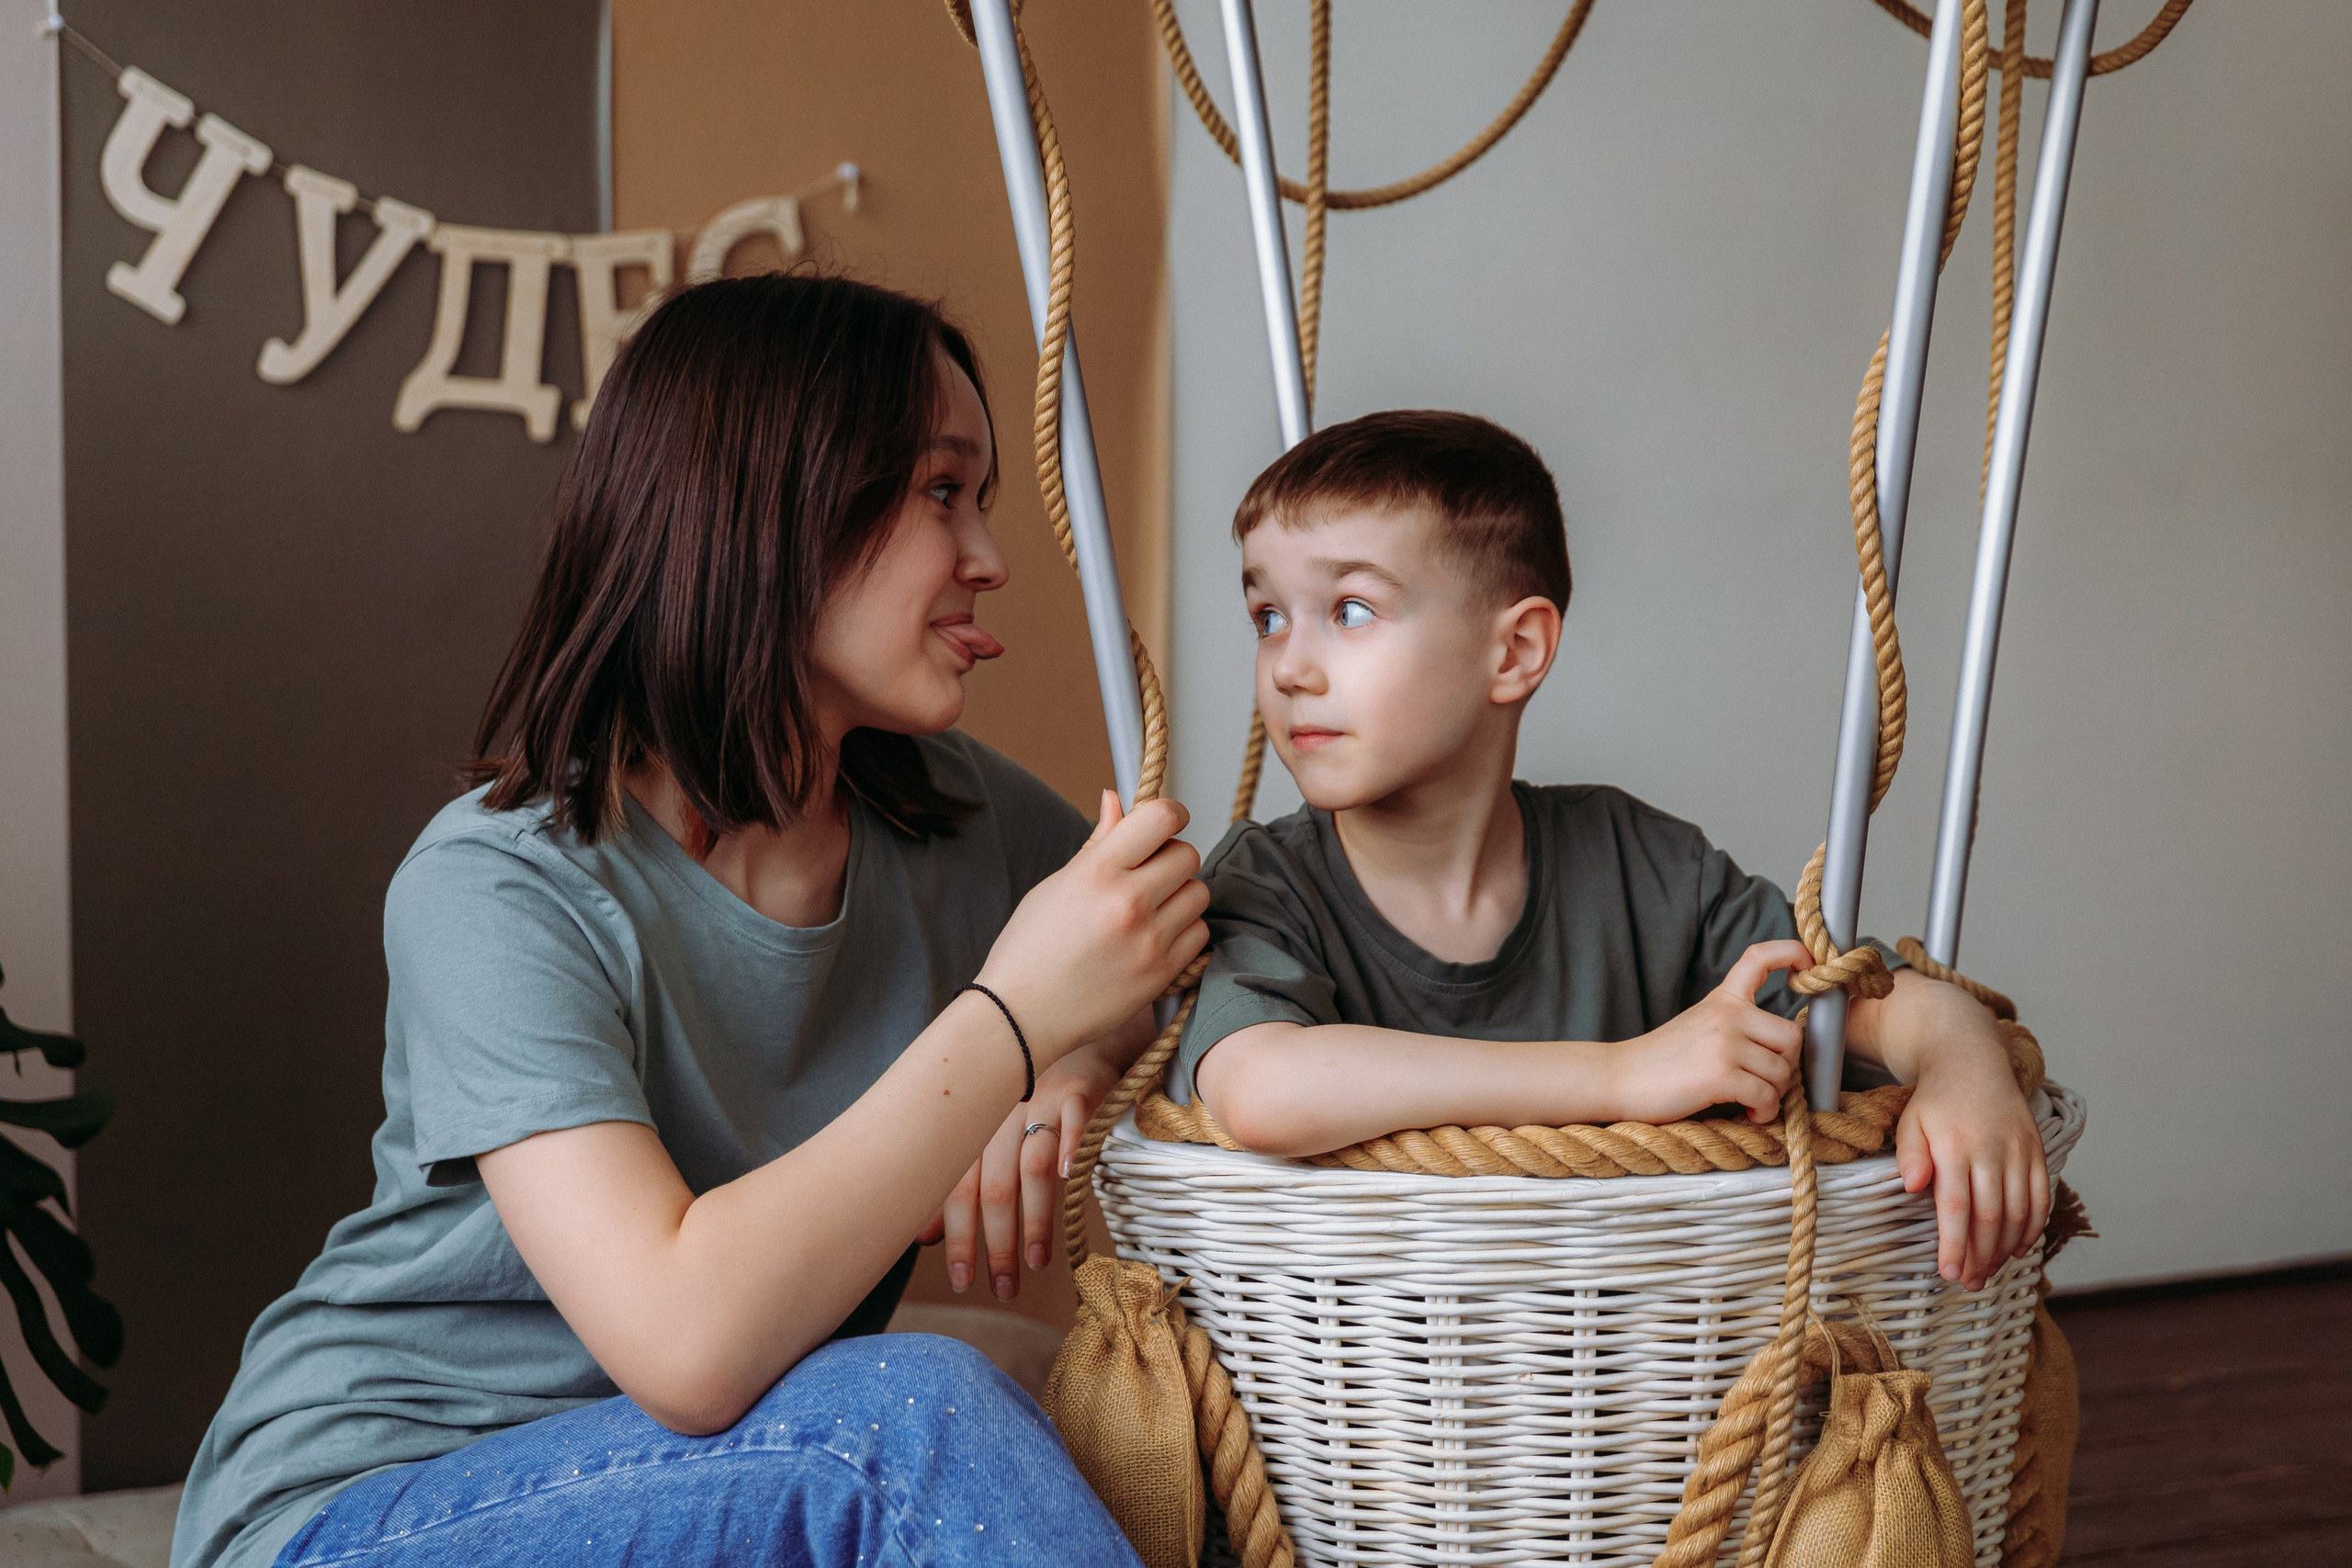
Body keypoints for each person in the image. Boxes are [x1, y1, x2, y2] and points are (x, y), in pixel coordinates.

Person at [172, 274, 1207, 1568]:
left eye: (983, 498)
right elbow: (686, 1344)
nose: (989, 558)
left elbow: (1190, 952)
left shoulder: (952, 818)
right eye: (942, 491)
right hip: (365, 1510)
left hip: (699, 1483)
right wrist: (1010, 1020)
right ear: (775, 507)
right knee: (903, 1416)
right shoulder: (500, 886)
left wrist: (1073, 1062)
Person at [1170, 409, 2048, 1292]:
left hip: (1633, 1385)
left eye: (1351, 609)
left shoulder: (1640, 868)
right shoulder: (1264, 878)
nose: (1288, 666)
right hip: (1369, 1379)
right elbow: (1261, 1088)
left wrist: (1962, 1058)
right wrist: (1622, 1074)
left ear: (1514, 650)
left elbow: (1854, 1005)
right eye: (1269, 615)